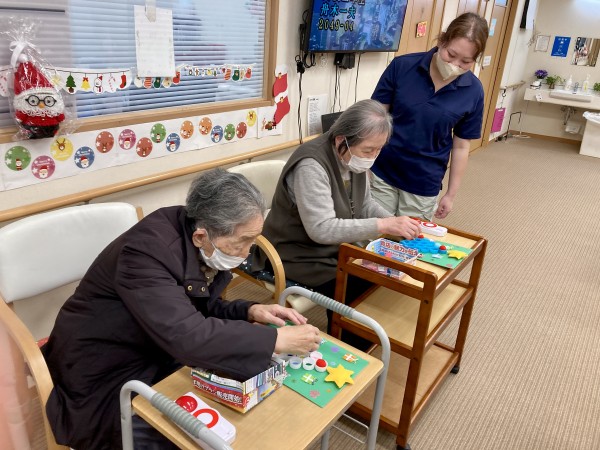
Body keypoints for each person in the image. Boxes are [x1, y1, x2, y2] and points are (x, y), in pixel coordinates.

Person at [42, 168, 321, 450]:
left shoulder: (194, 231)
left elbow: (195, 305)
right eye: (242, 242)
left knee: (240, 394)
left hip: (152, 343)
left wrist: (248, 310)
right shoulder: (145, 254)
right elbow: (187, 336)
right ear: (201, 237)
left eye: (252, 241)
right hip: (102, 366)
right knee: (191, 434)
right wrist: (274, 339)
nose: (247, 253)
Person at [253, 99, 420, 314]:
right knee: (359, 284)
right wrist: (383, 225)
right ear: (342, 139)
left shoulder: (351, 157)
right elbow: (321, 229)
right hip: (294, 252)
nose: (373, 157)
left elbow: (365, 204)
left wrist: (395, 223)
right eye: (368, 150)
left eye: (378, 150)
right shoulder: (311, 166)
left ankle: (352, 326)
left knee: (381, 270)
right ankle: (344, 333)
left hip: (332, 247)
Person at [370, 12, 489, 220]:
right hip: (383, 169)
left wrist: (451, 195)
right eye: (451, 55)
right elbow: (375, 117)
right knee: (373, 233)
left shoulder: (474, 91)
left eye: (465, 61)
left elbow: (461, 146)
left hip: (424, 181)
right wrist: (363, 163)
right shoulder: (403, 66)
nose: (455, 65)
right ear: (442, 41)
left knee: (409, 239)